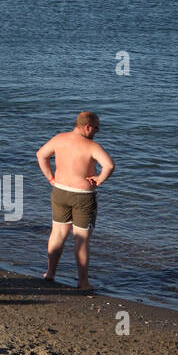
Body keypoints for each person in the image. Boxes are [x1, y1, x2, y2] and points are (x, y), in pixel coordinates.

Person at [35, 112, 115, 291]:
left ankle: (50, 273)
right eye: (96, 128)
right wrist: (100, 179)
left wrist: (50, 177)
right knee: (81, 239)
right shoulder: (91, 145)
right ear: (87, 127)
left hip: (60, 191)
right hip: (83, 196)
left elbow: (41, 155)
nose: (97, 132)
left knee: (57, 233)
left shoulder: (59, 139)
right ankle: (83, 282)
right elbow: (109, 165)